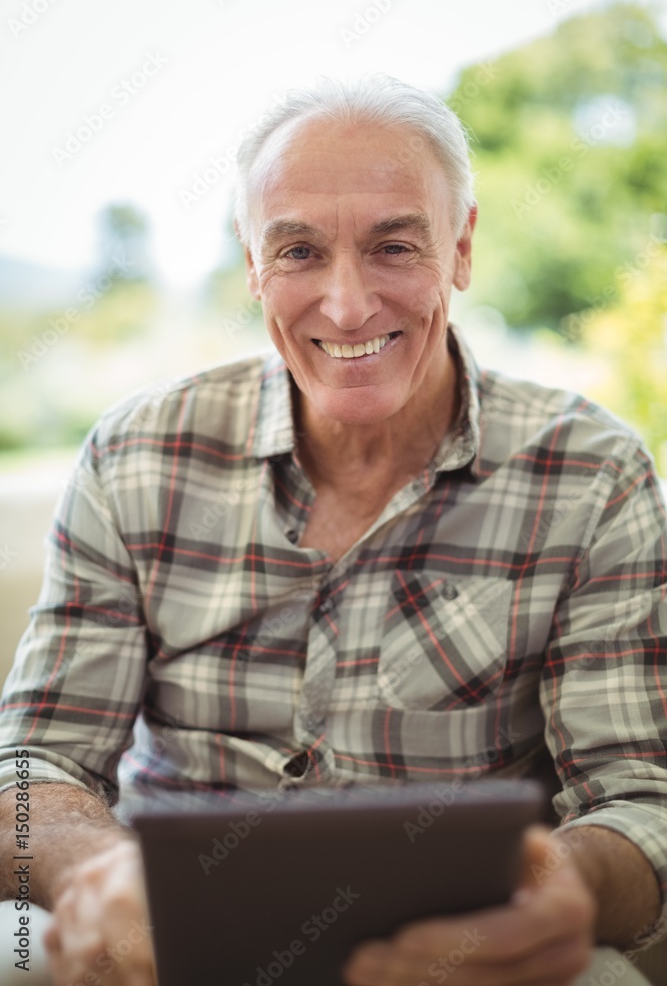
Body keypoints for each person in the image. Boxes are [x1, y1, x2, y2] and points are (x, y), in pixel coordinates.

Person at [0, 75, 665, 986]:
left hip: (456, 953)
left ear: (460, 247)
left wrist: (567, 884)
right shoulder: (136, 454)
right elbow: (31, 767)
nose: (348, 306)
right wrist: (100, 875)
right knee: (16, 957)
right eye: (299, 251)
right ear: (250, 264)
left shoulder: (591, 473)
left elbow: (639, 799)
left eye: (394, 246)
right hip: (160, 946)